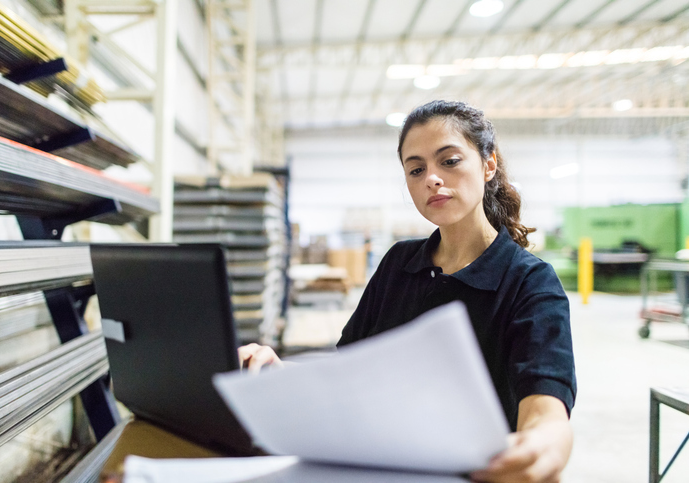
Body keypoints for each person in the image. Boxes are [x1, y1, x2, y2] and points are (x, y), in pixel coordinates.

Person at [239, 100, 577, 483]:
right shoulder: (399, 263)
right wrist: (276, 371)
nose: (431, 178)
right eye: (416, 169)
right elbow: (347, 376)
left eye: (449, 161)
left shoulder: (529, 282)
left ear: (488, 164)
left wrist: (543, 446)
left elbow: (547, 412)